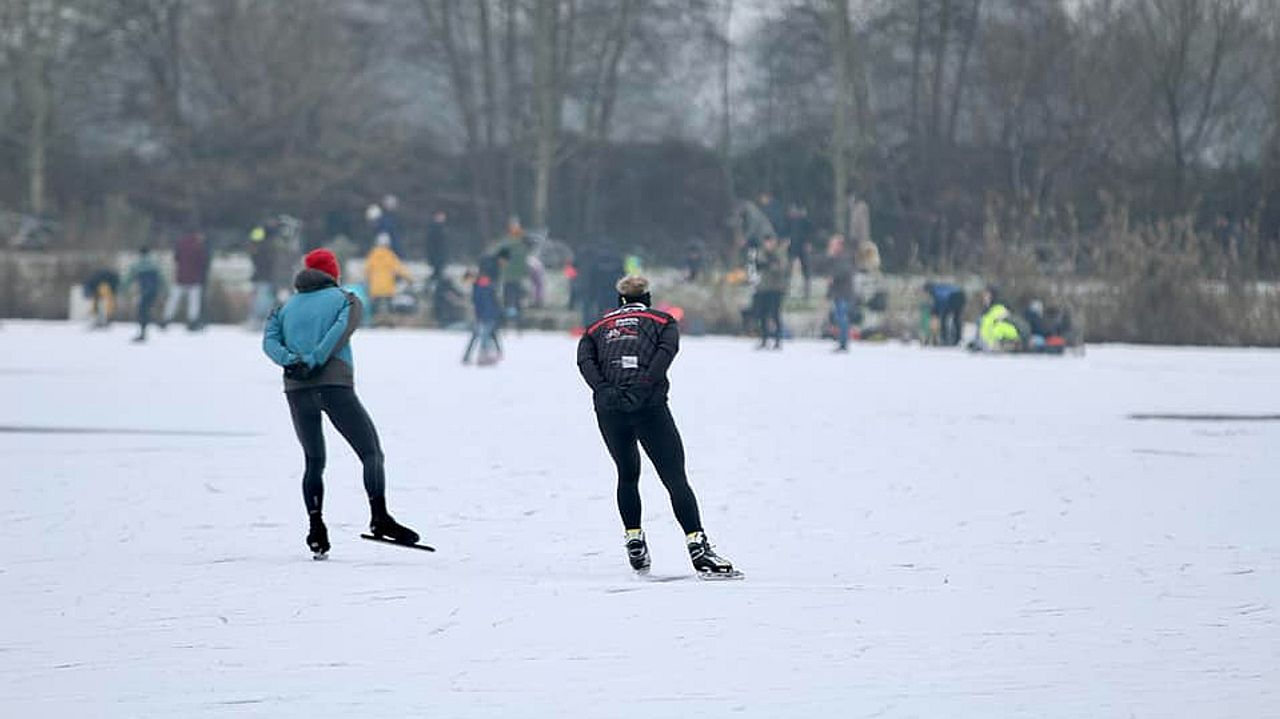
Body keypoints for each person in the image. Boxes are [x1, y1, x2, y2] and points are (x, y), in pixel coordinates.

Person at [576, 275, 740, 579]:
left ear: (619, 300)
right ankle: (698, 548)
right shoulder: (662, 320)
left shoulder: (596, 327)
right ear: (647, 297)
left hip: (610, 410)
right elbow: (665, 355)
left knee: (627, 474)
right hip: (649, 408)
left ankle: (634, 539)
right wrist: (643, 386)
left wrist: (603, 390)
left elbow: (584, 361)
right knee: (675, 477)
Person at [262, 249, 419, 559]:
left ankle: (316, 529)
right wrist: (314, 360)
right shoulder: (346, 299)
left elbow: (269, 341)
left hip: (296, 389)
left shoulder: (283, 307)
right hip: (333, 386)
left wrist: (291, 361)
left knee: (314, 461)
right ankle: (380, 518)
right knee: (371, 452)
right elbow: (339, 332)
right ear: (333, 273)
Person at [463, 249, 508, 365]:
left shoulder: (481, 283)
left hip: (487, 313)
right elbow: (484, 299)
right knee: (484, 334)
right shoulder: (484, 280)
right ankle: (485, 354)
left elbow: (484, 300)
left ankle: (483, 355)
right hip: (486, 313)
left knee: (484, 334)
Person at [162, 230, 207, 330]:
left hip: (180, 277)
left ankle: (166, 319)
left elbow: (176, 258)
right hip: (194, 279)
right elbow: (202, 262)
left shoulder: (180, 244)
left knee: (173, 300)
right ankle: (192, 322)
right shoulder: (198, 246)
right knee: (193, 303)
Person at [364, 233, 410, 326]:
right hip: (387, 286)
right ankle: (389, 322)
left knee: (375, 306)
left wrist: (367, 280)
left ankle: (374, 321)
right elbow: (399, 268)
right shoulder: (390, 255)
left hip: (375, 287)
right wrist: (409, 278)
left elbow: (367, 269)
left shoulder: (372, 255)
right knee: (389, 305)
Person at [121, 247, 164, 342]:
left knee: (142, 310)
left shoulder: (137, 264)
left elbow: (128, 278)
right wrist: (165, 290)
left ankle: (143, 332)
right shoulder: (155, 264)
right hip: (154, 291)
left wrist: (123, 289)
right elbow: (162, 278)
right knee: (147, 309)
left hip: (144, 291)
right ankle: (157, 323)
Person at [754, 234, 787, 349]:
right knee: (762, 314)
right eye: (766, 243)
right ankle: (764, 339)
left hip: (776, 288)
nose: (768, 245)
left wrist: (771, 264)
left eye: (770, 242)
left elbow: (781, 268)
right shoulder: (761, 252)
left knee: (775, 314)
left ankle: (777, 340)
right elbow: (759, 265)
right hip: (764, 288)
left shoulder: (780, 253)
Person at [247, 220, 281, 328]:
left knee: (262, 298)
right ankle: (259, 319)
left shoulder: (261, 241)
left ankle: (259, 319)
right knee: (263, 299)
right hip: (265, 276)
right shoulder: (271, 244)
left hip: (262, 276)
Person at [497, 216, 530, 327]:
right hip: (513, 276)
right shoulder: (518, 244)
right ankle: (513, 319)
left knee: (511, 298)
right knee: (514, 298)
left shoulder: (510, 243)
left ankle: (511, 319)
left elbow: (501, 260)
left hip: (512, 276)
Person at [826, 234, 855, 352]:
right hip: (837, 293)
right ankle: (841, 341)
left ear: (840, 246)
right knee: (839, 318)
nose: (831, 247)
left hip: (844, 293)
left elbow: (844, 271)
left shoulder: (845, 257)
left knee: (842, 318)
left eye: (833, 244)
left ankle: (843, 342)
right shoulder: (834, 258)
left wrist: (834, 277)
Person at [973, 286, 1024, 352]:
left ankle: (1010, 345)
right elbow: (984, 330)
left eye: (987, 295)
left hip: (1001, 342)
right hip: (990, 345)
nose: (984, 298)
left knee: (999, 327)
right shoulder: (987, 311)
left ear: (992, 296)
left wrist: (994, 343)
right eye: (984, 295)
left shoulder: (998, 309)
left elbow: (996, 328)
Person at [923, 282, 966, 346]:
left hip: (953, 297)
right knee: (956, 319)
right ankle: (957, 338)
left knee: (944, 318)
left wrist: (935, 313)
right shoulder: (939, 287)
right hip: (961, 296)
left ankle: (944, 338)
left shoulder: (935, 291)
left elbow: (940, 303)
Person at [786, 204, 814, 299]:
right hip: (792, 246)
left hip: (802, 246)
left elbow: (810, 231)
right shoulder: (790, 221)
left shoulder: (805, 221)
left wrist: (809, 242)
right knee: (788, 269)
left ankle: (807, 292)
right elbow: (785, 231)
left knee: (806, 269)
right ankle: (786, 290)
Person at [425, 210, 449, 279]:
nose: (442, 218)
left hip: (441, 254)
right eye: (439, 216)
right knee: (437, 273)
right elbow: (431, 244)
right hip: (436, 254)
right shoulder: (433, 228)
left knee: (439, 273)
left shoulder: (442, 228)